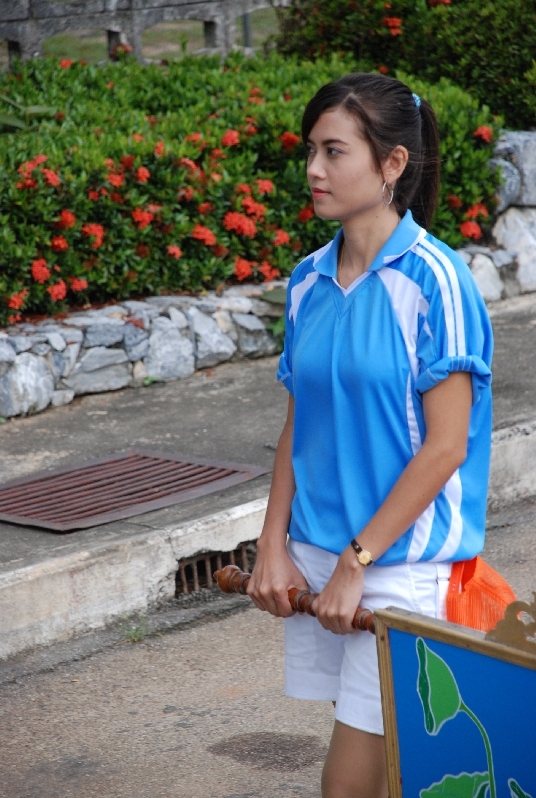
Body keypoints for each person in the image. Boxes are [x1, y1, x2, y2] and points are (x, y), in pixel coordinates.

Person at [247, 72, 493, 798]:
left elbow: (446, 447)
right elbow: (300, 423)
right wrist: (272, 544)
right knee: (391, 775)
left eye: (334, 151)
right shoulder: (307, 280)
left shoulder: (437, 281)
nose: (313, 170)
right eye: (310, 150)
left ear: (392, 164)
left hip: (396, 568)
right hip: (317, 558)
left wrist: (359, 561)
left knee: (347, 787)